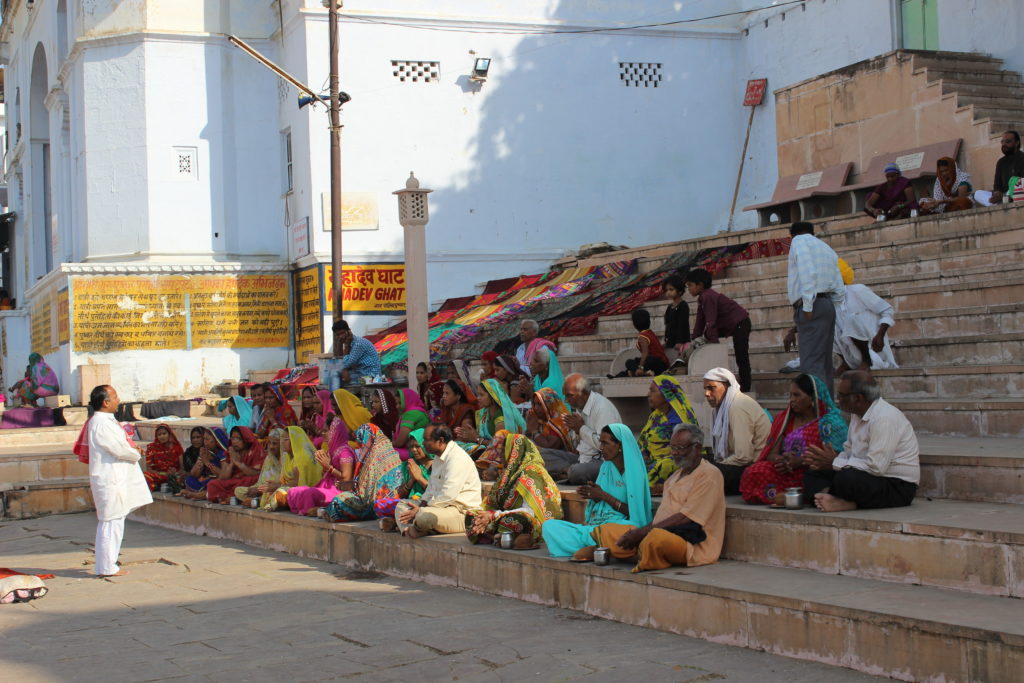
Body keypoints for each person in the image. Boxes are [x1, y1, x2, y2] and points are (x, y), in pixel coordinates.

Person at [591, 424, 725, 572]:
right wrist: (639, 532)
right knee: (608, 530)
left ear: (697, 448)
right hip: (660, 531)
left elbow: (686, 518)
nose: (674, 453)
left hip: (691, 544)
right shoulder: (675, 477)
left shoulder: (709, 475)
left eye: (679, 448)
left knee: (656, 539)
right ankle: (641, 552)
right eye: (672, 447)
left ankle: (642, 554)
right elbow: (660, 519)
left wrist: (642, 533)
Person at [803, 371, 919, 511]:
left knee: (847, 478)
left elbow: (876, 467)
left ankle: (845, 502)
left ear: (858, 398)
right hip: (867, 475)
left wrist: (834, 462)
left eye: (841, 396)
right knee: (813, 472)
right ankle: (833, 496)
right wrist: (827, 460)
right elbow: (850, 452)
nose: (838, 400)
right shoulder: (857, 414)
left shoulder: (884, 418)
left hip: (896, 485)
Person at [542, 424, 652, 559]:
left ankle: (596, 543)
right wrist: (593, 495)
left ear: (620, 446)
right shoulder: (606, 467)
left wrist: (603, 496)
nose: (601, 448)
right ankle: (599, 544)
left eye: (605, 443)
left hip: (619, 525)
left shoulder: (634, 472)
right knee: (549, 526)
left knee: (623, 531)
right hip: (598, 525)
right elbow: (597, 504)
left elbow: (636, 515)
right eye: (601, 443)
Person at [739, 374, 847, 505]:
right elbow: (771, 454)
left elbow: (834, 456)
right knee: (752, 472)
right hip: (786, 471)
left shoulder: (830, 422)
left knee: (813, 479)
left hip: (813, 471)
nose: (792, 400)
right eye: (790, 395)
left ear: (813, 397)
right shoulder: (785, 419)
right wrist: (783, 461)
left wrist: (800, 461)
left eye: (797, 395)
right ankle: (795, 496)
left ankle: (799, 496)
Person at [86, 385, 152, 577]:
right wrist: (136, 453)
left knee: (114, 521)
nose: (118, 400)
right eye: (115, 397)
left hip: (115, 478)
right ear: (106, 402)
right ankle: (107, 567)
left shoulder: (105, 421)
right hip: (110, 479)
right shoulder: (101, 423)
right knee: (111, 522)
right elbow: (118, 449)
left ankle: (107, 564)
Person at [467, 432, 562, 549]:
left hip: (536, 522)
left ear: (514, 451)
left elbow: (530, 511)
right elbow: (491, 503)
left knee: (511, 521)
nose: (500, 456)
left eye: (503, 451)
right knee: (471, 515)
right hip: (503, 515)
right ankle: (495, 537)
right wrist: (483, 515)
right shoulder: (509, 474)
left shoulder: (532, 473)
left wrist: (494, 515)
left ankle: (499, 536)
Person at [786, 221, 845, 393]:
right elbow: (838, 286)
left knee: (811, 363)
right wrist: (833, 307)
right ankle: (827, 410)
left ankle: (817, 412)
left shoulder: (798, 242)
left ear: (792, 234)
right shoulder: (825, 247)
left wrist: (808, 306)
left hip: (812, 304)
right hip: (827, 304)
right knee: (824, 363)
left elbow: (808, 272)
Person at [393, 424, 482, 537]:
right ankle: (412, 530)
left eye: (426, 440)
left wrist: (420, 510)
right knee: (401, 505)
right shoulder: (437, 457)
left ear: (440, 441)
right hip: (438, 508)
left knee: (424, 516)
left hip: (460, 512)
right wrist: (421, 504)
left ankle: (417, 528)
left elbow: (447, 496)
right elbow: (431, 488)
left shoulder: (457, 459)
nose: (423, 443)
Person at [703, 368, 771, 495]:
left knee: (702, 472)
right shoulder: (722, 408)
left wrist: (715, 466)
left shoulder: (737, 407)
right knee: (696, 462)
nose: (706, 393)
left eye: (711, 388)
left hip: (751, 468)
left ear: (727, 387)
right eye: (705, 389)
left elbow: (743, 456)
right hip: (736, 463)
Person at [684, 268, 753, 392]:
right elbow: (700, 322)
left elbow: (711, 321)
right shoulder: (703, 298)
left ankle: (746, 387)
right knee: (707, 335)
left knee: (741, 356)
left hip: (740, 323)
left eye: (690, 285)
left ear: (700, 285)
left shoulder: (708, 296)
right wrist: (694, 340)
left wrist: (714, 346)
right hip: (732, 324)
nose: (688, 289)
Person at [325, 423, 405, 522]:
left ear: (368, 440)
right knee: (340, 499)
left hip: (381, 505)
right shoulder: (390, 454)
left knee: (338, 502)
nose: (360, 446)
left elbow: (365, 494)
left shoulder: (373, 458)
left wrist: (331, 469)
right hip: (382, 504)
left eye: (361, 442)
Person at [557, 373, 623, 485]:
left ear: (584, 393)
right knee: (543, 455)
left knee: (576, 472)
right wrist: (574, 431)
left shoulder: (602, 407)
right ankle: (566, 472)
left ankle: (568, 472)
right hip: (583, 458)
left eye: (569, 396)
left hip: (604, 462)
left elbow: (605, 446)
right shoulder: (579, 407)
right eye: (565, 396)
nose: (566, 401)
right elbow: (577, 447)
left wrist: (580, 428)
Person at [833, 261, 897, 372]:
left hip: (874, 349)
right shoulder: (830, 301)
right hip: (852, 353)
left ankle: (867, 361)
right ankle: (846, 361)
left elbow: (887, 310)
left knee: (851, 319)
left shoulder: (858, 290)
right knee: (826, 325)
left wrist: (880, 335)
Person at [283, 420, 356, 516]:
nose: (323, 433)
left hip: (340, 491)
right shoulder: (332, 450)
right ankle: (315, 508)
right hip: (326, 487)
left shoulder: (345, 452)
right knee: (294, 491)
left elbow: (346, 479)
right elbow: (326, 475)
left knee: (308, 493)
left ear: (336, 431)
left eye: (326, 430)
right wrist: (324, 467)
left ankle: (314, 509)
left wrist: (329, 467)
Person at [639, 375, 699, 491]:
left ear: (666, 394)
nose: (648, 395)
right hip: (651, 460)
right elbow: (643, 442)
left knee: (665, 466)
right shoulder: (655, 416)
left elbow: (687, 451)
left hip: (673, 460)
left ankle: (657, 486)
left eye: (652, 391)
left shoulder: (681, 419)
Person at [456, 378, 526, 447]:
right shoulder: (484, 413)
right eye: (478, 394)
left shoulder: (501, 419)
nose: (478, 398)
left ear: (492, 396)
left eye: (481, 395)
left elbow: (498, 445)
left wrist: (476, 438)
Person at [206, 427, 266, 504]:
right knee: (212, 484)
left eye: (238, 439)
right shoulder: (231, 451)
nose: (234, 442)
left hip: (248, 480)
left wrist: (238, 463)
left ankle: (229, 497)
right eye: (233, 438)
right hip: (235, 481)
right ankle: (230, 497)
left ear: (246, 439)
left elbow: (256, 473)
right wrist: (232, 463)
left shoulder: (256, 450)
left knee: (250, 480)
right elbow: (223, 477)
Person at [529, 387, 579, 476]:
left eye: (540, 404)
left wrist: (534, 430)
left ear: (550, 404)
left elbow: (550, 446)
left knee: (538, 454)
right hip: (553, 457)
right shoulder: (540, 421)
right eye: (534, 404)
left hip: (571, 459)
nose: (535, 408)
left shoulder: (559, 421)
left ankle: (567, 470)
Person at [237, 427, 286, 509]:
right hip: (263, 490)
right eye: (269, 443)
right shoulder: (268, 458)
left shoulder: (286, 458)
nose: (271, 446)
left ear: (281, 444)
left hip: (276, 489)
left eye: (275, 444)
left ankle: (258, 501)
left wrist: (261, 490)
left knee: (275, 494)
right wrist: (256, 489)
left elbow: (283, 482)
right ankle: (256, 500)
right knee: (238, 490)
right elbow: (261, 480)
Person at [325, 319, 382, 389]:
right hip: (361, 373)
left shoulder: (358, 344)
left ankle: (334, 397)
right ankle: (336, 396)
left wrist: (343, 369)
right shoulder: (349, 343)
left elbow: (347, 363)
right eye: (338, 335)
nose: (341, 336)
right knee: (335, 373)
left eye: (342, 333)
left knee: (335, 374)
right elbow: (343, 362)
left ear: (349, 331)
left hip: (371, 377)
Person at [614, 309, 669, 377]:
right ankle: (644, 373)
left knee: (629, 362)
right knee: (633, 361)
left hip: (655, 363)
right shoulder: (650, 332)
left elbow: (645, 353)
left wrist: (640, 367)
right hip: (662, 365)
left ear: (635, 324)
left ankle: (638, 372)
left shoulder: (642, 336)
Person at [179, 427, 230, 499]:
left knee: (213, 484)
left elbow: (223, 476)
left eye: (207, 439)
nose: (205, 442)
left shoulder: (223, 454)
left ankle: (198, 494)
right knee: (189, 479)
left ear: (216, 440)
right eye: (204, 439)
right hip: (206, 481)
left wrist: (207, 462)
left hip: (218, 481)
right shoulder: (206, 451)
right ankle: (200, 493)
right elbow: (194, 473)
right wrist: (201, 459)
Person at [141, 424, 183, 492]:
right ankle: (160, 487)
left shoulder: (177, 448)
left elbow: (182, 469)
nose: (162, 436)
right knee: (145, 476)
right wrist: (163, 474)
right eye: (159, 435)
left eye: (164, 433)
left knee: (184, 478)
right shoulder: (152, 448)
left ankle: (165, 486)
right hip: (159, 475)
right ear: (156, 436)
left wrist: (175, 472)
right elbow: (148, 469)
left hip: (174, 476)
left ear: (169, 434)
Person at [392, 388, 431, 457]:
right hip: (423, 449)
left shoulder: (411, 414)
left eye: (400, 403)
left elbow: (400, 442)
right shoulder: (419, 411)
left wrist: (387, 445)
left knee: (384, 454)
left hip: (417, 451)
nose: (397, 406)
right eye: (396, 403)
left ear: (408, 400)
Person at [167, 426, 206, 494]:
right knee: (175, 477)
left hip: (204, 477)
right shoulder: (189, 452)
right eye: (193, 438)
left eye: (198, 437)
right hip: (191, 477)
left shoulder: (207, 451)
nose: (195, 440)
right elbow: (185, 469)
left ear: (204, 437)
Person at [990, 130, 1024, 204]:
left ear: (1017, 143)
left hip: (1017, 193)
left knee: (1015, 181)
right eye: (1002, 142)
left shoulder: (1022, 158)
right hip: (1003, 196)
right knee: (978, 194)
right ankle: (1001, 200)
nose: (1004, 144)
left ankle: (1004, 199)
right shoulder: (1000, 162)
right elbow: (997, 185)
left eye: (1008, 141)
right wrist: (997, 193)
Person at [662, 274, 691, 355]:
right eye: (666, 290)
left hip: (680, 344)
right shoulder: (669, 307)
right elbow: (668, 325)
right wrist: (666, 341)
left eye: (671, 289)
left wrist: (680, 342)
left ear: (680, 291)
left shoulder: (683, 306)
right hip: (671, 343)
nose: (668, 292)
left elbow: (683, 325)